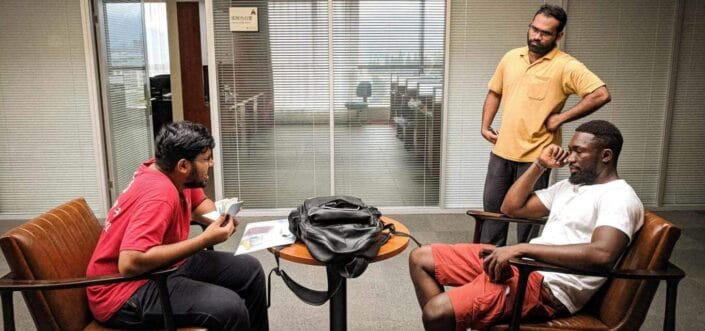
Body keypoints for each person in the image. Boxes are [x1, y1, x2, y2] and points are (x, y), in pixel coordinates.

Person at [409, 120, 643, 330]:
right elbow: (511, 208)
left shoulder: (618, 197)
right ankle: (457, 317)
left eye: (578, 152)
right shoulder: (569, 186)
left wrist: (522, 248)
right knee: (421, 258)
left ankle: (450, 318)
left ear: (606, 156)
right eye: (570, 150)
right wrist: (539, 165)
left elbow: (602, 253)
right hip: (523, 266)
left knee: (435, 312)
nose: (570, 158)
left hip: (548, 287)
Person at [86, 121, 269, 330]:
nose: (211, 164)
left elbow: (199, 204)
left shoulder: (172, 171)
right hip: (123, 292)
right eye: (206, 159)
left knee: (250, 269)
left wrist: (220, 217)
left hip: (163, 265)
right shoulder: (159, 194)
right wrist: (204, 239)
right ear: (184, 166)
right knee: (230, 308)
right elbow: (129, 262)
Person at [480, 4, 612, 246]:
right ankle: (489, 269)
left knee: (527, 220)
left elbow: (600, 94)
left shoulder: (566, 65)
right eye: (534, 29)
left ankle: (524, 266)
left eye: (545, 33)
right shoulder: (511, 57)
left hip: (537, 157)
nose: (536, 36)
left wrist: (561, 118)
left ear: (559, 36)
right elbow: (494, 92)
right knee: (493, 214)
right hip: (502, 151)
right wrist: (485, 125)